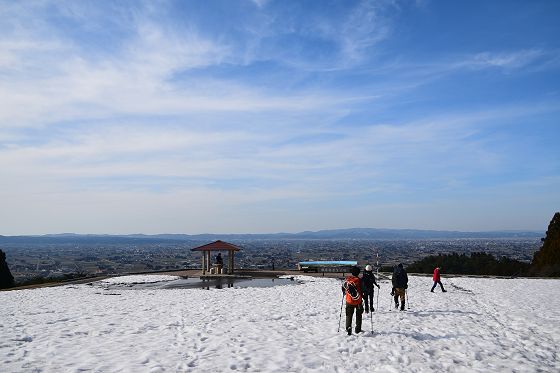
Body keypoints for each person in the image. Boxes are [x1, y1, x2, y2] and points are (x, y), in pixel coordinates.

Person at [341, 266, 364, 335]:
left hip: (349, 300)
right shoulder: (360, 280)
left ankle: (348, 327)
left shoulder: (347, 280)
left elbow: (343, 289)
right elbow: (363, 289)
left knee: (349, 315)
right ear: (358, 273)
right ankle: (358, 329)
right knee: (359, 315)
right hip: (358, 301)